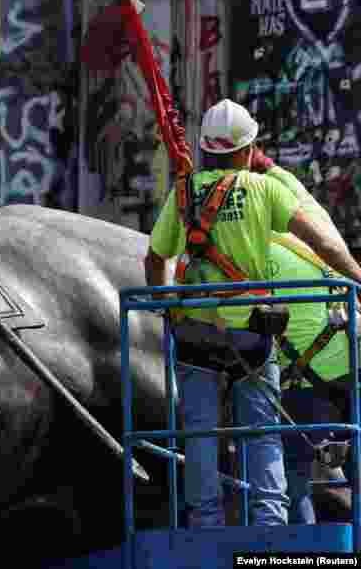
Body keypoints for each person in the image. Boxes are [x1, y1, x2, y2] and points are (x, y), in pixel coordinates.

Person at [143, 99, 361, 527]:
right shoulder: (266, 189)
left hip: (195, 335)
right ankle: (270, 524)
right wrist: (358, 275)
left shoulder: (183, 192)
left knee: (200, 432)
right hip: (252, 335)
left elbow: (155, 259)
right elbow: (325, 244)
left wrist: (166, 305)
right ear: (247, 150)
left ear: (207, 149)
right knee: (263, 433)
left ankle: (204, 524)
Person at [251, 149, 354, 524]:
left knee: (291, 481)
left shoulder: (248, 247)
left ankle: (301, 552)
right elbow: (266, 165)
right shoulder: (300, 200)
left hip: (304, 382)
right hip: (353, 355)